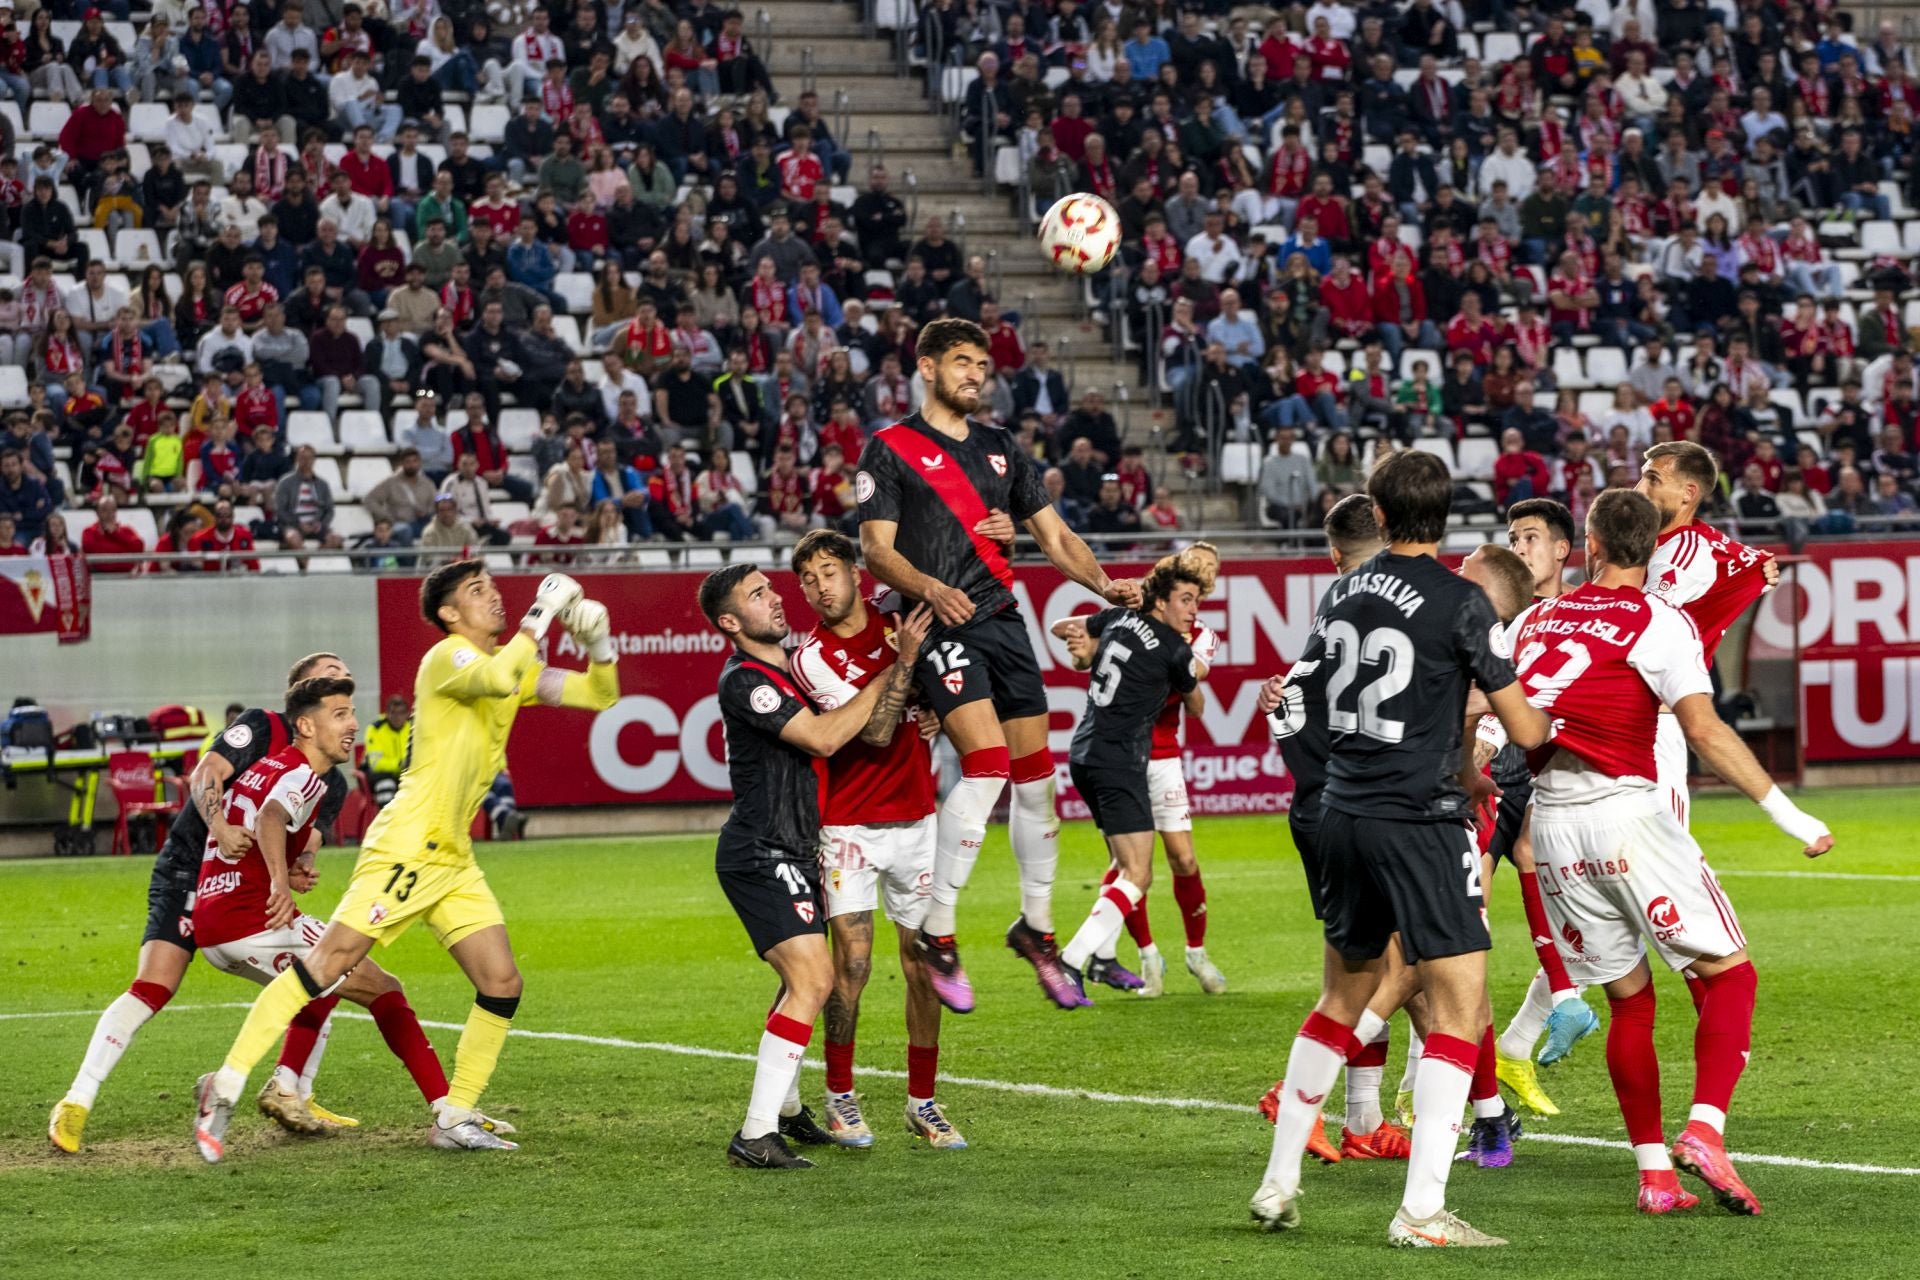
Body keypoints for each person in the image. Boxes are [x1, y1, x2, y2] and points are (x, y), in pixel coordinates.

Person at [192, 563, 618, 1160]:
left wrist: (598, 642)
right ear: (449, 613)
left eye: (495, 589)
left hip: (453, 856)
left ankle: (455, 1114)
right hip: (408, 844)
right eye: (478, 592)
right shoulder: (447, 659)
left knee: (501, 981)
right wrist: (540, 615)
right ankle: (226, 1091)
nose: (494, 599)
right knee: (328, 965)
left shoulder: (514, 669)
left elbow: (601, 694)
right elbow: (497, 677)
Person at [1250, 450, 1551, 1246]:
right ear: (1446, 518)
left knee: (1342, 996)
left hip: (1339, 808)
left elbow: (1311, 688)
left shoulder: (1344, 587)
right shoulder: (1462, 601)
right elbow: (1522, 729)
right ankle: (1420, 1211)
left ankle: (1279, 1183)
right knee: (1458, 1006)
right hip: (1418, 819)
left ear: (1377, 517)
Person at [1511, 488, 1832, 1215]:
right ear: (1652, 550)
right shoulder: (1661, 618)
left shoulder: (1534, 617)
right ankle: (1706, 1131)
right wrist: (1790, 815)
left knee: (1630, 1003)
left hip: (1555, 825)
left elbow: (1485, 708)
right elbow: (1706, 731)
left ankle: (1655, 1177)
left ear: (1588, 546)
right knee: (1732, 977)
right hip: (1628, 814)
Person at [855, 317, 1143, 1013]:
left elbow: (1056, 536)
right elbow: (875, 550)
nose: (975, 374)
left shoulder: (1000, 449)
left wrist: (1105, 586)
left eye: (981, 364)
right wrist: (931, 588)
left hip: (1002, 622)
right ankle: (941, 932)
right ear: (926, 368)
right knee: (985, 768)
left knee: (1037, 781)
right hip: (937, 622)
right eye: (960, 362)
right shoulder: (889, 448)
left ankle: (1037, 929)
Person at [49, 654, 356, 1153]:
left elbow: (308, 843)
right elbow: (205, 775)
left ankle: (293, 1090)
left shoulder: (332, 778)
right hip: (190, 870)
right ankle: (75, 1101)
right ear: (301, 696)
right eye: (328, 679)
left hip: (246, 895)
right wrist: (218, 826)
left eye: (343, 685)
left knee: (322, 975)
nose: (340, 692)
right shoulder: (260, 726)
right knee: (153, 986)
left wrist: (296, 871)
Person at [697, 562, 924, 1169]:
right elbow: (825, 739)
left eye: (771, 589)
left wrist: (908, 705)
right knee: (815, 980)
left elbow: (857, 732)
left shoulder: (782, 673)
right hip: (761, 850)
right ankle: (754, 1133)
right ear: (729, 622)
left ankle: (788, 1110)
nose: (775, 599)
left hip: (794, 848)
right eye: (757, 594)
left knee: (798, 982)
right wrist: (888, 672)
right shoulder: (747, 680)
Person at [192, 676, 455, 1136]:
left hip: (215, 918)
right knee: (383, 988)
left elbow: (257, 821)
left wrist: (287, 869)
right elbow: (272, 817)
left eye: (351, 713)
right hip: (252, 921)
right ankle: (450, 1114)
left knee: (323, 978)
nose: (353, 724)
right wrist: (280, 883)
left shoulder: (266, 766)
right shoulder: (302, 775)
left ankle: (287, 1085)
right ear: (306, 726)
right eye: (340, 715)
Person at [786, 531, 964, 1150]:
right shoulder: (809, 657)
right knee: (854, 966)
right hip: (850, 827)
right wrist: (906, 668)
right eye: (808, 579)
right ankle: (840, 1096)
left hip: (918, 821)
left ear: (856, 573)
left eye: (829, 571)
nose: (820, 586)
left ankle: (923, 1102)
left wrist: (937, 708)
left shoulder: (900, 618)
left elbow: (940, 695)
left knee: (922, 965)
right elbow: (880, 732)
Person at [1046, 556, 1209, 1006]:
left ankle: (1101, 955)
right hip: (1120, 760)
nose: (1193, 609)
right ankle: (1071, 960)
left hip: (1084, 754)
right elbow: (1196, 708)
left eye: (1196, 600)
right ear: (1160, 600)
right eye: (1186, 600)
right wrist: (1193, 664)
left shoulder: (1118, 617)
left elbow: (1063, 627)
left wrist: (1083, 644)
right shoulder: (1175, 648)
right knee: (1139, 873)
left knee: (1123, 867)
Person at [1636, 442, 1779, 828]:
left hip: (1652, 721)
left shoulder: (1683, 552)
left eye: (1652, 479)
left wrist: (1758, 571)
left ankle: (1792, 818)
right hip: (1622, 717)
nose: (1638, 489)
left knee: (1668, 866)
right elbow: (1753, 563)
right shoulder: (1647, 546)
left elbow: (1631, 624)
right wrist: (1760, 569)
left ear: (1688, 493)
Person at [363, 692, 411, 806]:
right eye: (393, 713)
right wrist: (400, 764)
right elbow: (375, 764)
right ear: (387, 713)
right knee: (386, 785)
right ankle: (388, 822)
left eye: (401, 713)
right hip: (383, 775)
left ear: (407, 713)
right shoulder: (375, 729)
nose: (397, 717)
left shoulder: (413, 728)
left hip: (407, 775)